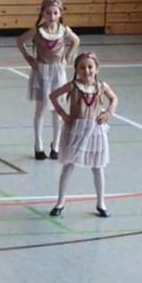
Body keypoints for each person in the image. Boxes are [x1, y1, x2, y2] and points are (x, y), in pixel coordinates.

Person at [49, 52, 116, 218]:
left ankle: (101, 203)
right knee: (68, 165)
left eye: (90, 67)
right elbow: (53, 96)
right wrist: (63, 114)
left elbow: (114, 98)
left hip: (95, 131)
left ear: (96, 68)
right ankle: (60, 202)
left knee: (98, 167)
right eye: (82, 67)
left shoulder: (101, 86)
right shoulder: (73, 86)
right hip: (76, 130)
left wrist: (108, 112)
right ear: (77, 70)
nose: (87, 70)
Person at [17, 0, 80, 160]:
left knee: (57, 110)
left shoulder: (64, 30)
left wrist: (68, 56)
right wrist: (28, 58)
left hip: (58, 72)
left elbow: (75, 41)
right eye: (48, 13)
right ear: (42, 13)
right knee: (40, 109)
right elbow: (20, 41)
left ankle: (56, 145)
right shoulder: (38, 31)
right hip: (41, 72)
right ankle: (38, 145)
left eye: (55, 13)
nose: (52, 16)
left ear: (60, 13)